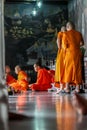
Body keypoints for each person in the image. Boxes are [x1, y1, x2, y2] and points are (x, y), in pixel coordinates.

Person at [62, 21, 84, 93]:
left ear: (67, 27)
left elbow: (64, 46)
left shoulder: (65, 34)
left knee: (68, 69)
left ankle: (67, 88)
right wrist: (76, 46)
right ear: (74, 27)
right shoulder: (79, 33)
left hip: (69, 54)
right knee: (78, 70)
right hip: (77, 53)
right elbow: (82, 43)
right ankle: (78, 88)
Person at [55, 26, 66, 93]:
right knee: (66, 70)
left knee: (61, 70)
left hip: (62, 53)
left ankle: (62, 87)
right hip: (67, 53)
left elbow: (58, 43)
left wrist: (59, 47)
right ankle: (66, 87)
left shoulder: (60, 34)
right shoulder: (68, 34)